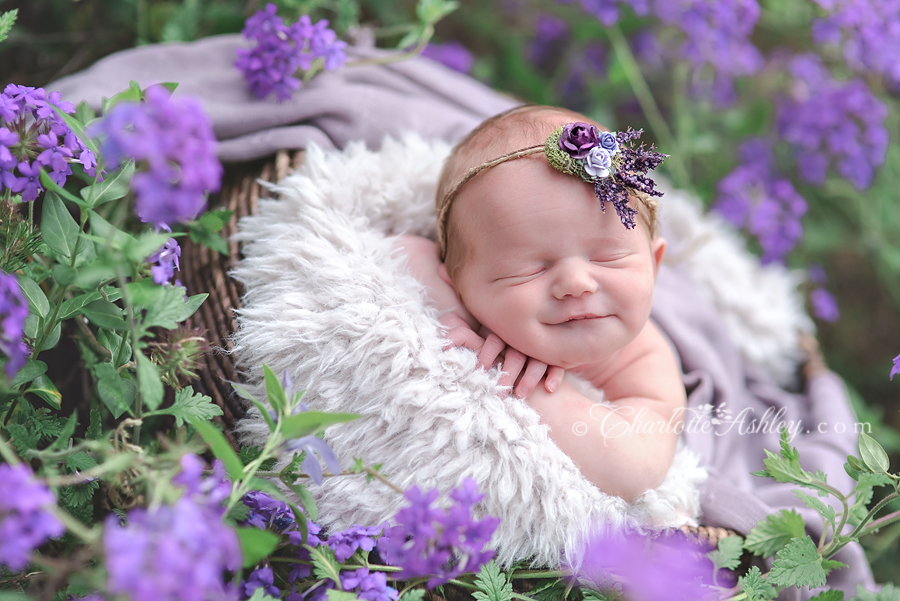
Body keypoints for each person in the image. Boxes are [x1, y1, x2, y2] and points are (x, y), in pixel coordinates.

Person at [397, 105, 686, 503]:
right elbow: (404, 252)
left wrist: (524, 384)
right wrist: (467, 322)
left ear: (653, 264)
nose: (576, 283)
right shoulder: (452, 289)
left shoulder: (644, 361)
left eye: (606, 258)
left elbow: (634, 470)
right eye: (529, 269)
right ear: (458, 282)